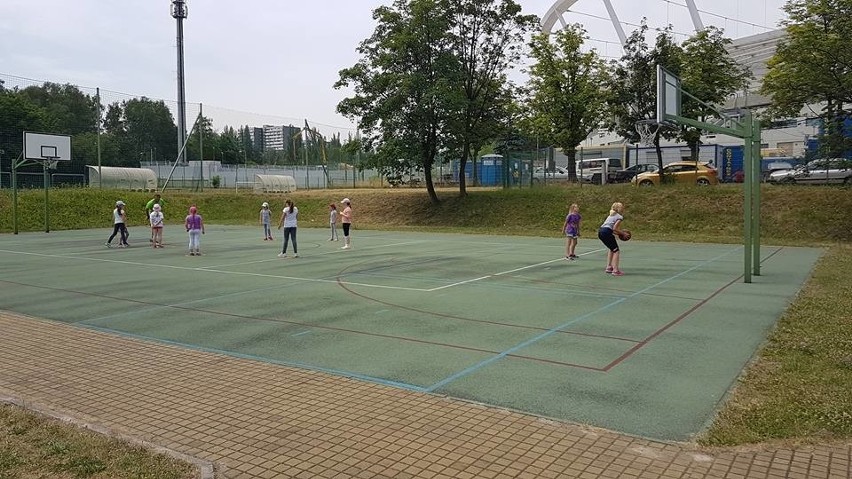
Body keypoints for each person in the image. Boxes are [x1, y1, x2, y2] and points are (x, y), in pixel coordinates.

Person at [597, 202, 626, 276]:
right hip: (606, 232)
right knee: (616, 251)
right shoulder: (619, 217)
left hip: (601, 231)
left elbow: (611, 229)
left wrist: (620, 233)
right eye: (622, 207)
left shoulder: (611, 215)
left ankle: (609, 267)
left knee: (611, 248)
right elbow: (615, 228)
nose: (623, 208)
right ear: (619, 208)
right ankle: (615, 270)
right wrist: (623, 233)